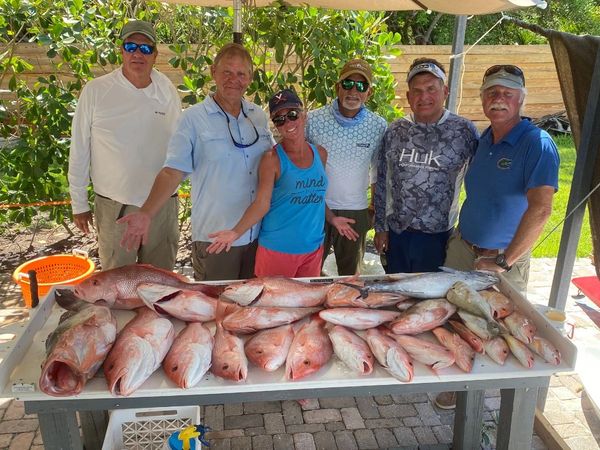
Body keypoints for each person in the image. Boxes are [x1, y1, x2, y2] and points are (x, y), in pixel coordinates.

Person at [435, 64, 560, 410]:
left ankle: (491, 404)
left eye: (507, 93)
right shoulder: (483, 140)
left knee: (500, 329)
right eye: (491, 92)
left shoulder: (537, 144)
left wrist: (505, 261)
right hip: (464, 248)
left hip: (503, 259)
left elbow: (541, 210)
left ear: (521, 98)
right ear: (483, 99)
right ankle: (460, 385)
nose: (498, 99)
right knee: (460, 320)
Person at [118, 43, 274, 280]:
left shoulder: (257, 116)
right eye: (227, 72)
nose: (234, 79)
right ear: (213, 72)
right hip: (216, 239)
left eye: (241, 73)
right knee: (216, 306)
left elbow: (273, 164)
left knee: (249, 309)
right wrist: (146, 213)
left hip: (258, 234)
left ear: (250, 78)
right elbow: (172, 172)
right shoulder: (192, 119)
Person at [68, 20, 181, 271]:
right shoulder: (96, 91)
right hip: (113, 207)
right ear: (121, 51)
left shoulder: (167, 90)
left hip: (161, 206)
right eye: (131, 46)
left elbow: (180, 147)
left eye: (145, 48)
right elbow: (79, 150)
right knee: (117, 285)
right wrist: (79, 203)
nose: (137, 53)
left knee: (160, 282)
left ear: (155, 55)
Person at [207, 89, 355, 277]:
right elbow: (261, 203)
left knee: (305, 306)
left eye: (292, 115)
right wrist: (235, 233)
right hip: (277, 250)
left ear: (304, 116)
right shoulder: (272, 159)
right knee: (271, 305)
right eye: (279, 119)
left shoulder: (320, 153)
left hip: (313, 248)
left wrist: (332, 218)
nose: (288, 123)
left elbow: (315, 196)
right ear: (275, 125)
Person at [373, 58, 479, 274]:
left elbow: (480, 185)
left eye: (431, 89)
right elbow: (383, 180)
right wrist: (381, 228)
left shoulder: (463, 131)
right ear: (408, 96)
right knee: (396, 294)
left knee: (429, 302)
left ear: (445, 91)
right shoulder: (396, 131)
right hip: (398, 234)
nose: (424, 97)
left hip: (439, 236)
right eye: (417, 91)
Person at [306, 58, 386, 276]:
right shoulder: (312, 120)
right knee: (309, 271)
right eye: (348, 83)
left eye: (361, 86)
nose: (354, 91)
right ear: (337, 87)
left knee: (351, 276)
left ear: (369, 92)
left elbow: (378, 173)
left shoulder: (378, 125)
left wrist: (376, 215)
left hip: (356, 210)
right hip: (317, 208)